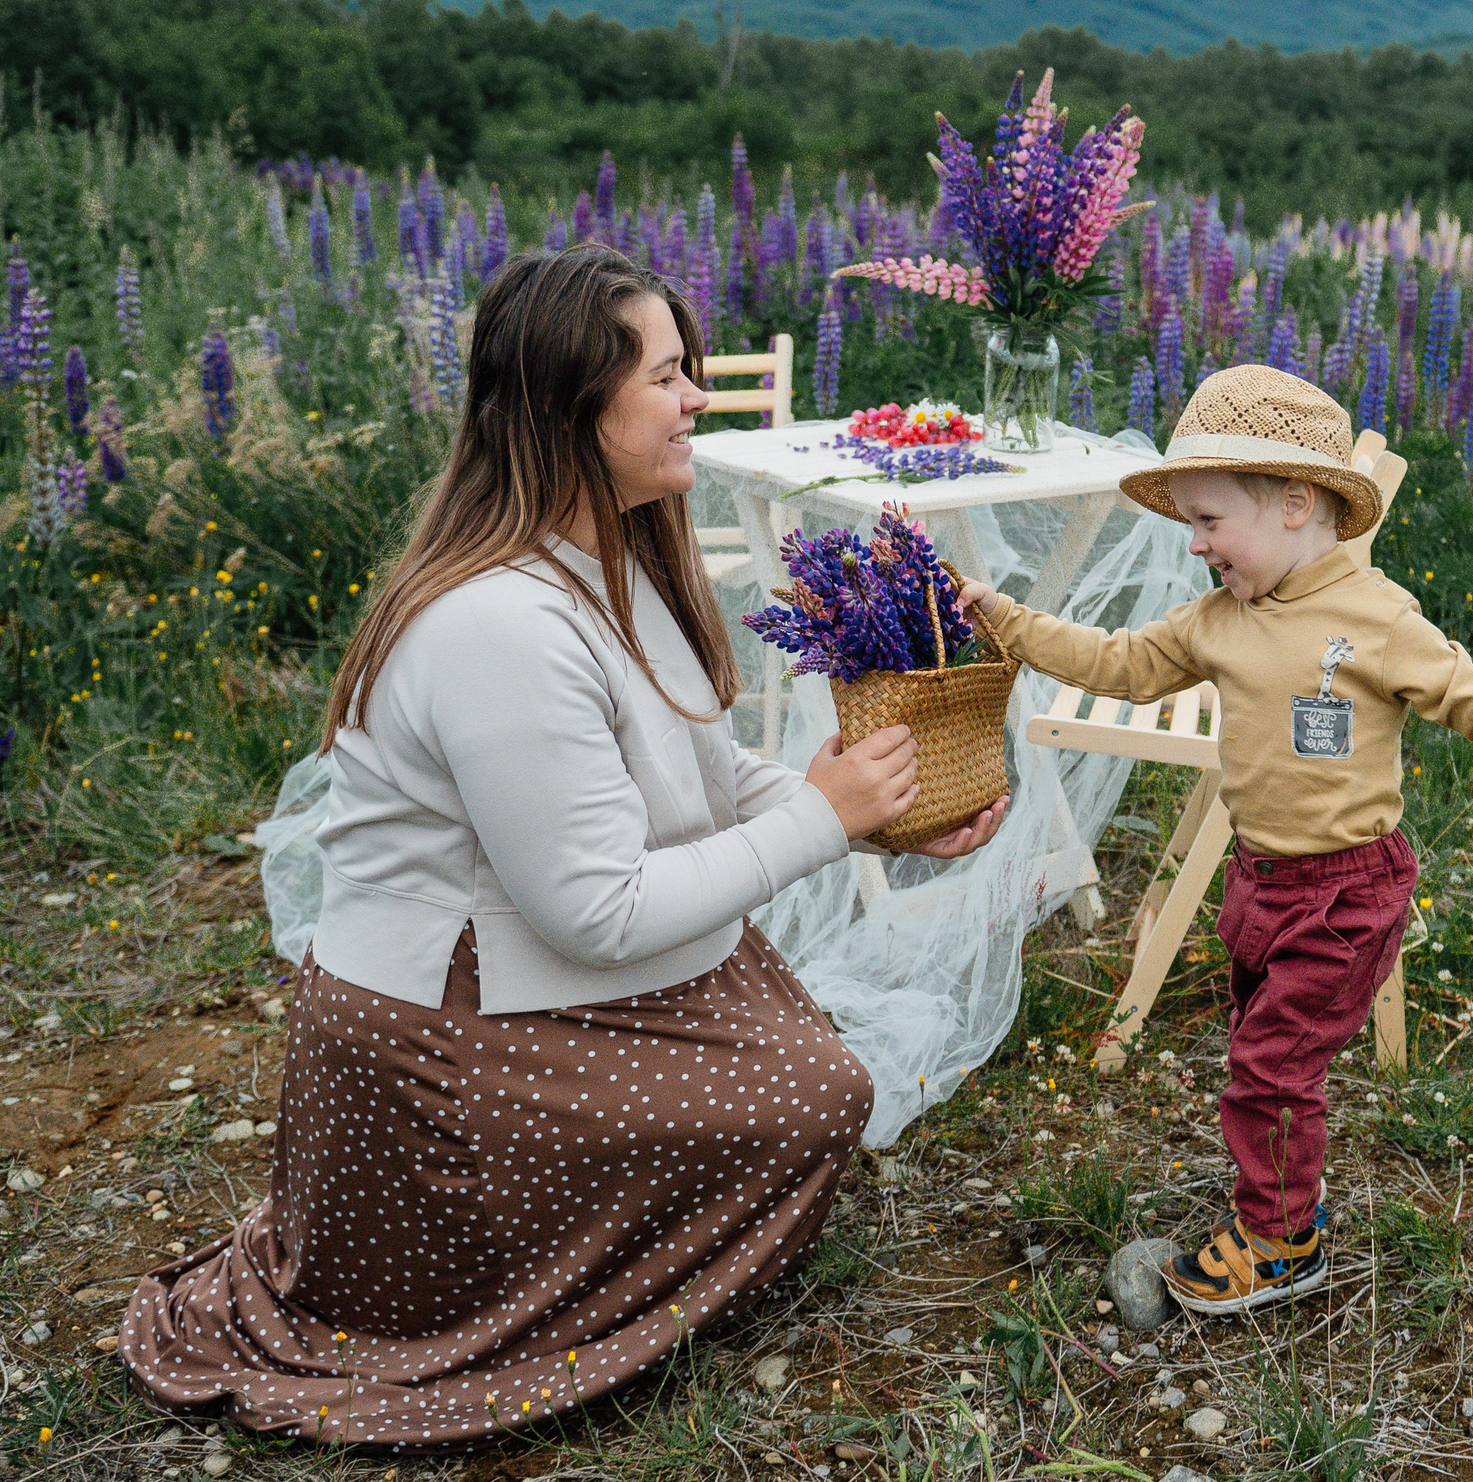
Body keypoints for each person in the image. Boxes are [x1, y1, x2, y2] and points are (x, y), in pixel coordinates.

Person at [120, 244, 1003, 1445]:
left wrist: (879, 819)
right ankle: (499, 1286)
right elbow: (593, 910)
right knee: (812, 1090)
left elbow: (694, 762)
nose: (697, 398)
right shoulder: (494, 621)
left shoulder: (613, 556)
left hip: (526, 971)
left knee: (806, 1069)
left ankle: (591, 1243)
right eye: (666, 377)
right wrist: (817, 819)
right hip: (444, 1030)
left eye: (690, 370)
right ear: (565, 410)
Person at [958, 364, 1473, 1316]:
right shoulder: (1220, 618)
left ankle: (1281, 1241)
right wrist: (1009, 622)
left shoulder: (1375, 619)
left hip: (1348, 891)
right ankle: (1283, 1197)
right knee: (1261, 1053)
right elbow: (1122, 663)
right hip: (1260, 877)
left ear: (1295, 504)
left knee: (1271, 1067)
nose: (1194, 546)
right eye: (1188, 523)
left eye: (1209, 521)